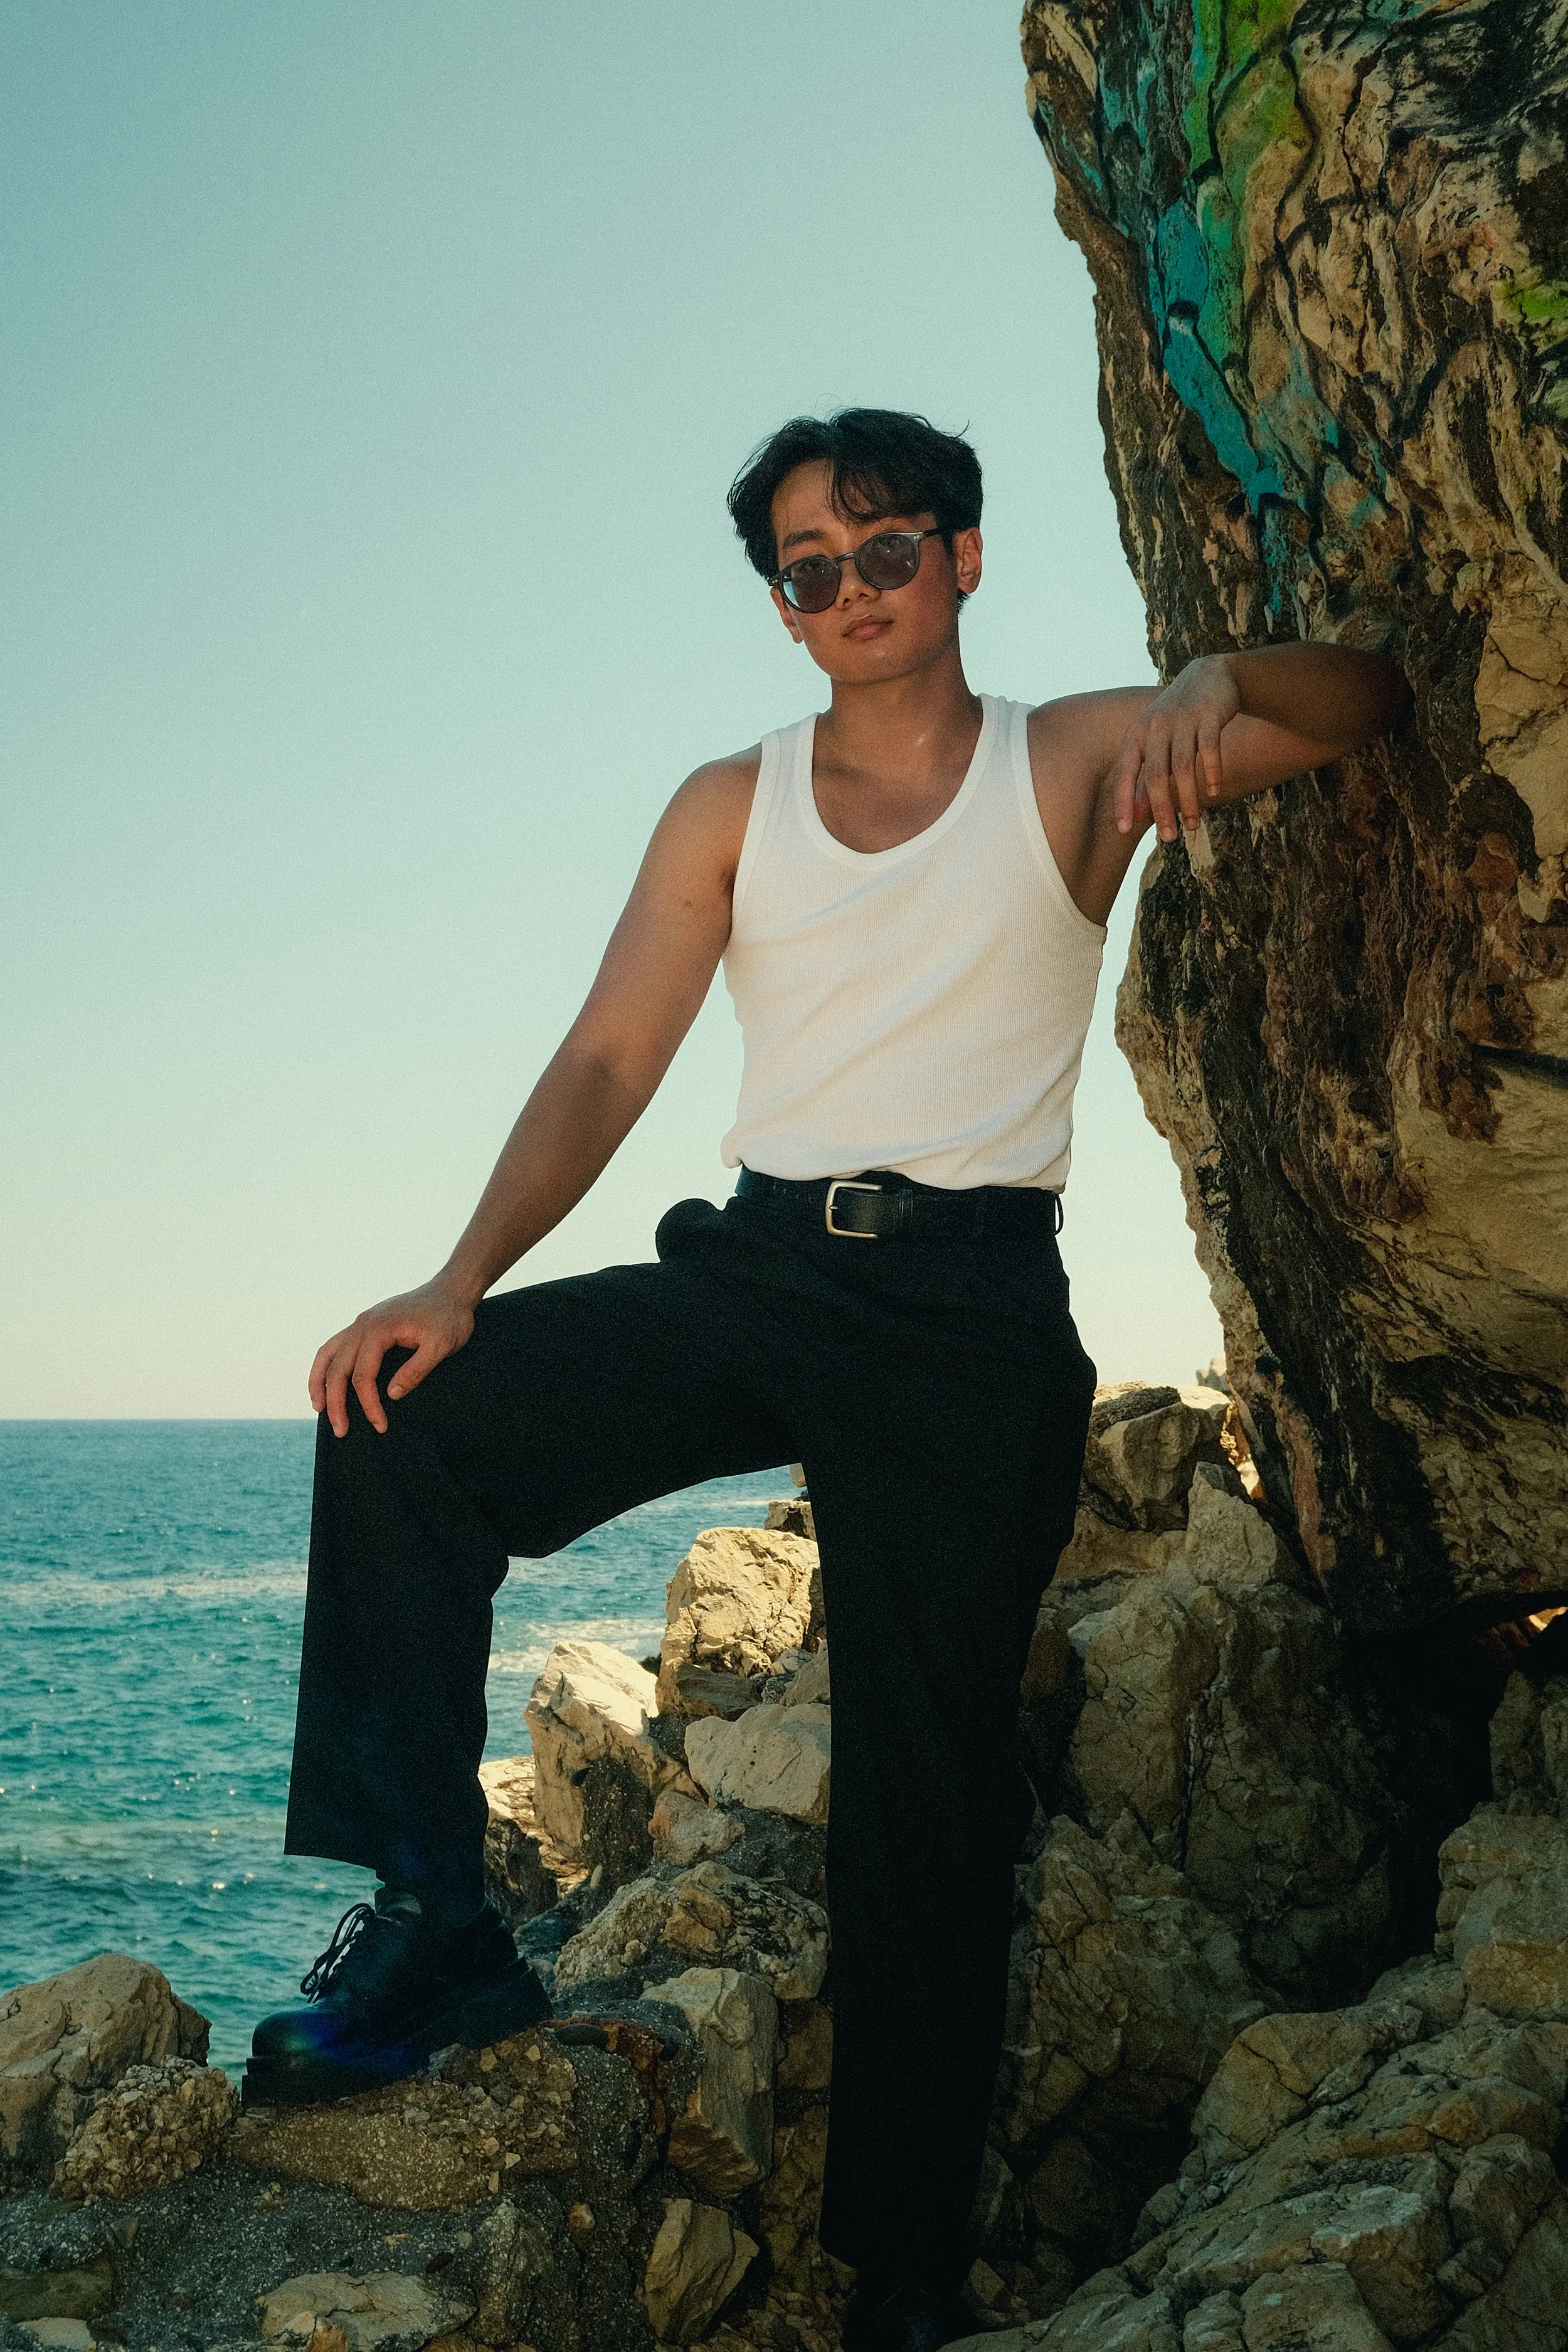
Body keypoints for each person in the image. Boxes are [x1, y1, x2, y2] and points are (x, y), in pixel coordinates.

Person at [247, 408, 1409, 2352]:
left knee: (925, 1809)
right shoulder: (731, 800)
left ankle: (898, 2282)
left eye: (885, 548)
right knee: (404, 1421)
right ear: (783, 612)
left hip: (968, 1320)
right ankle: (434, 1924)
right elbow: (610, 1055)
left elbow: (1363, 699)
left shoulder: (1074, 756)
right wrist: (456, 1279)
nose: (851, 589)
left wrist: (1216, 675)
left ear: (961, 557)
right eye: (809, 568)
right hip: (769, 1263)